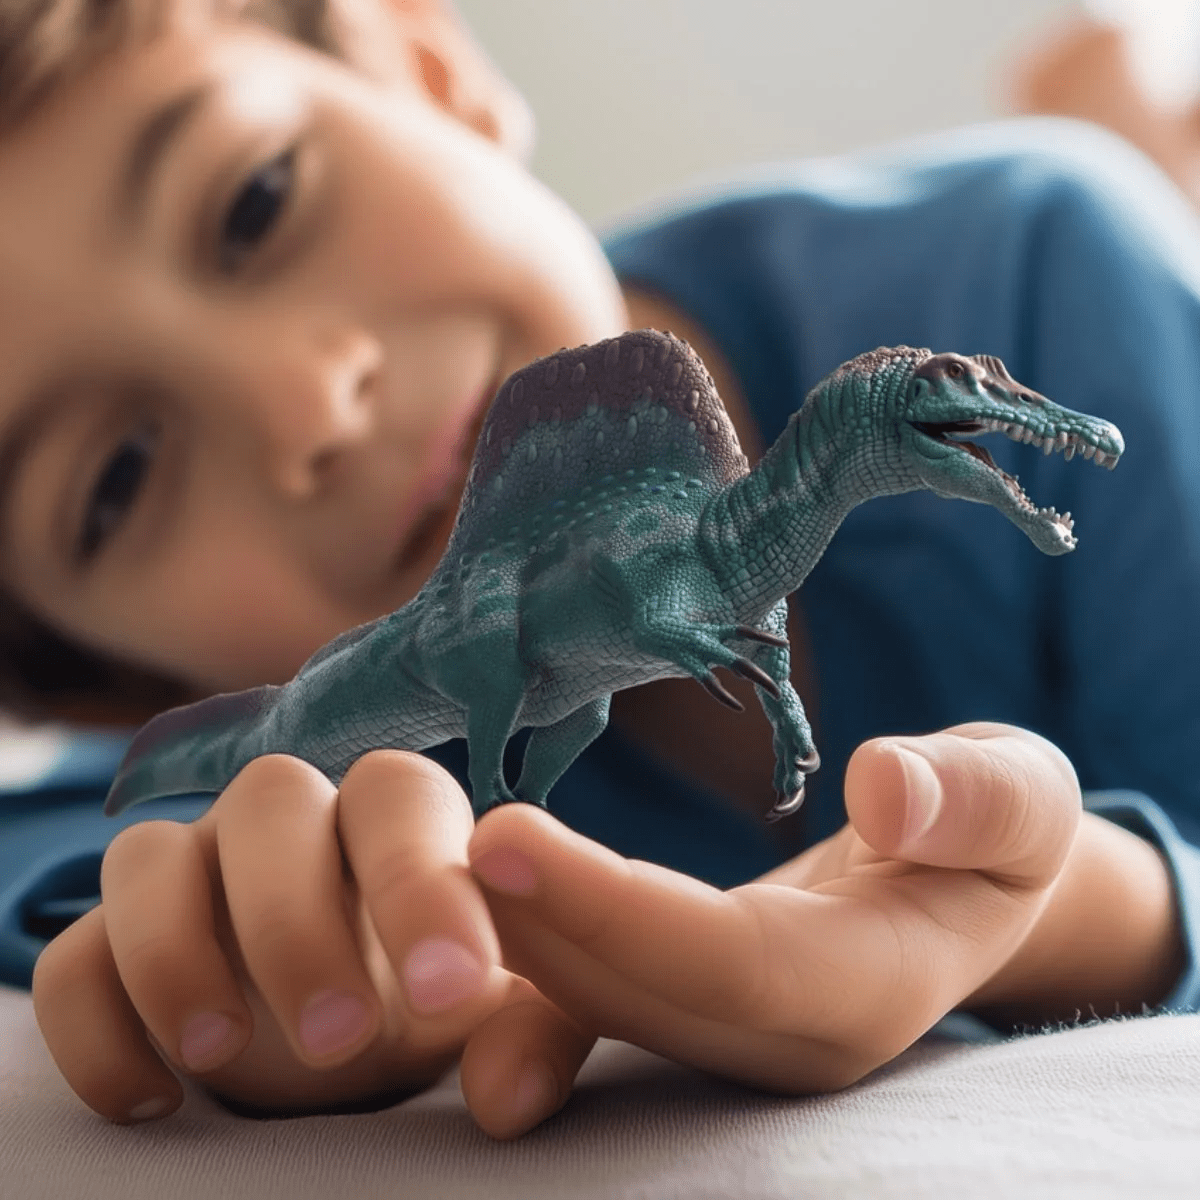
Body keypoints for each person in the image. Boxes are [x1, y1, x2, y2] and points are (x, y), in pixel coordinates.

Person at [1, 0, 1197, 1143]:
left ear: (432, 69)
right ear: (112, 680)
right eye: (117, 479)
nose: (311, 403)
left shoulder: (1038, 266)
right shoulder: (287, 739)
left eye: (256, 203)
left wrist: (1067, 912)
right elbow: (68, 864)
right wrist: (258, 951)